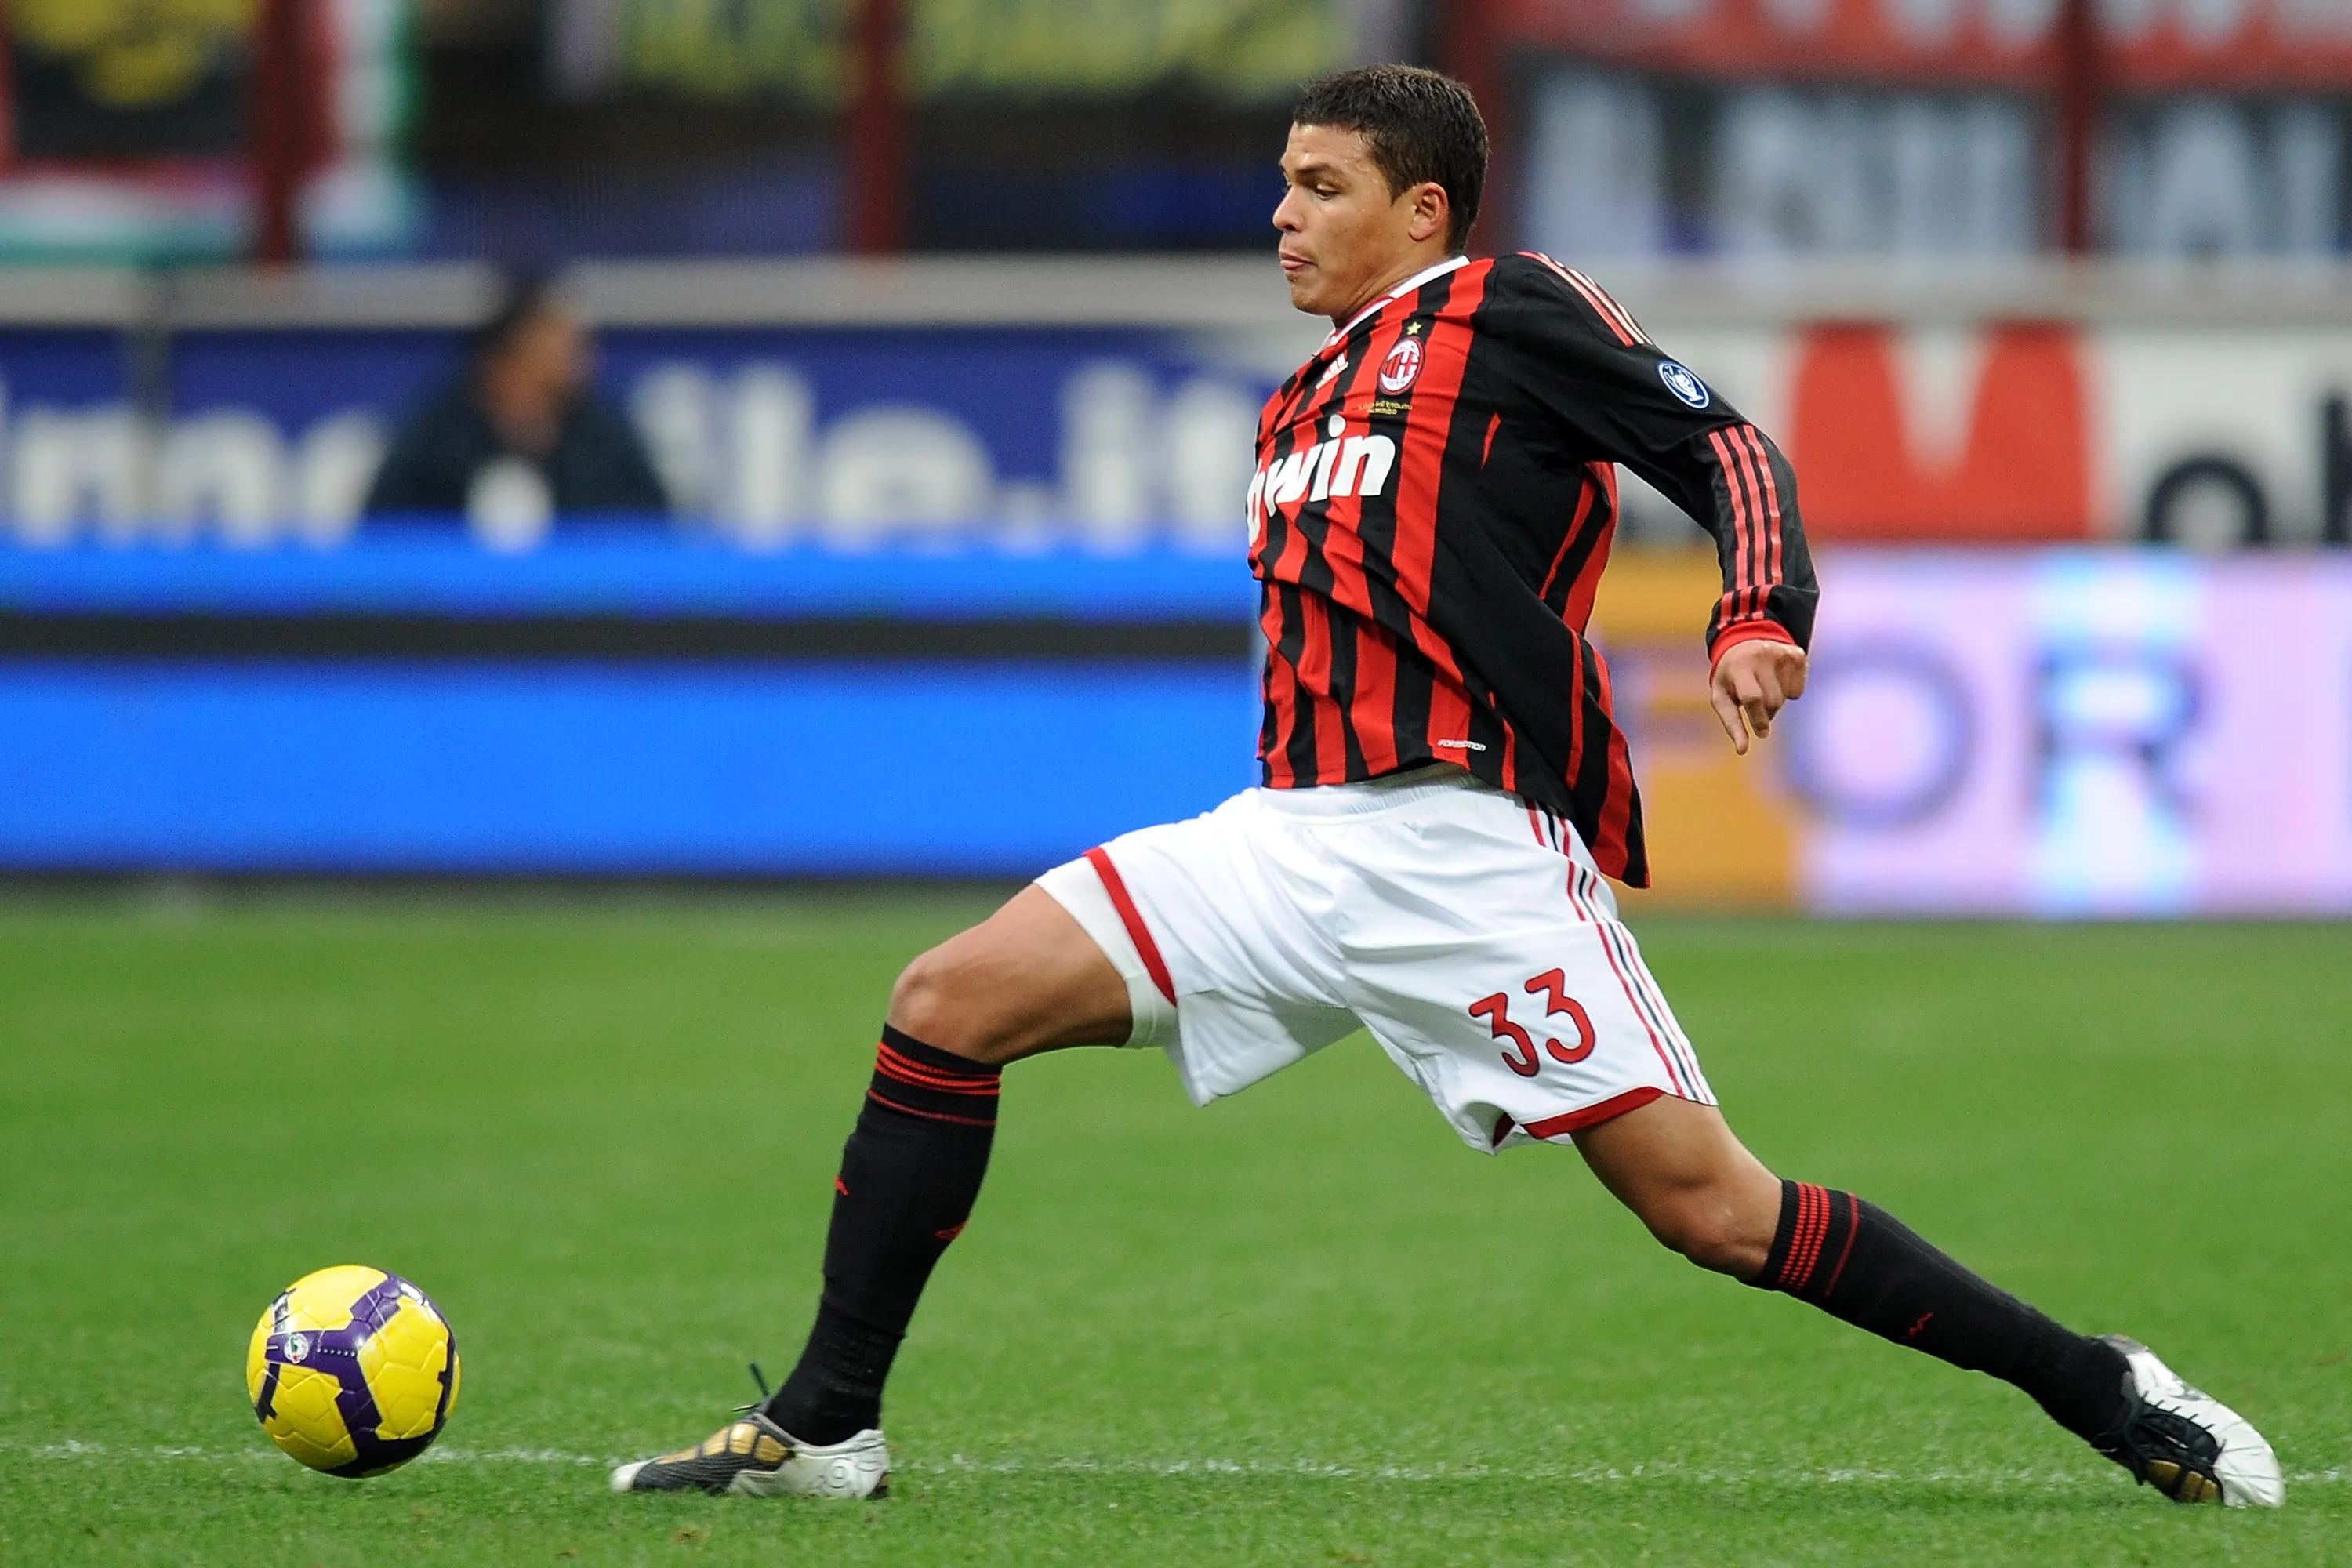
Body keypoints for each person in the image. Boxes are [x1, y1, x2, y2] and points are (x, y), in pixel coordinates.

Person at [609, 66, 2283, 1508]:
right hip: (1285, 840)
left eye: (1321, 185)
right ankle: (824, 1428)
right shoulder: (1298, 400)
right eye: (1282, 182)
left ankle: (2099, 1384)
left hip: (1469, 856)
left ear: (1423, 209)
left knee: (1714, 1212)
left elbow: (1724, 446)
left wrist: (1761, 611)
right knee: (946, 1002)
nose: (1284, 214)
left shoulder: (1508, 311)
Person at [362, 281, 668, 524]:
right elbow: (385, 526)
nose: (576, 355)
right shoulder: (437, 433)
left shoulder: (601, 434)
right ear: (505, 356)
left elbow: (651, 524)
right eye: (554, 340)